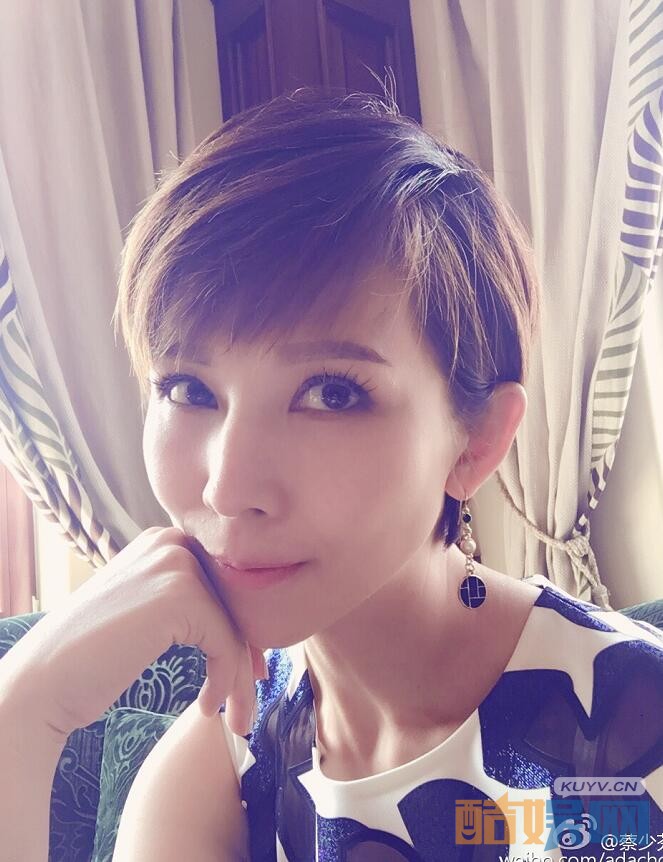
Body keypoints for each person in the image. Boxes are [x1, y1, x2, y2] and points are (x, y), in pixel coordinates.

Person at [0, 88, 661, 862]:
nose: (225, 489)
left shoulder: (630, 726)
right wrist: (25, 709)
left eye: (331, 394)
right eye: (186, 388)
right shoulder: (225, 754)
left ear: (475, 441)